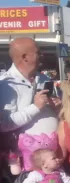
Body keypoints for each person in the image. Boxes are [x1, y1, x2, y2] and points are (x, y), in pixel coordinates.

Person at [0, 38, 58, 171]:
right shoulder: (6, 85)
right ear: (25, 57)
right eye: (38, 52)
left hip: (53, 157)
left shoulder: (44, 78)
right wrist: (35, 107)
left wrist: (58, 106)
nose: (42, 55)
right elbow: (3, 124)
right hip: (27, 163)